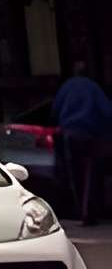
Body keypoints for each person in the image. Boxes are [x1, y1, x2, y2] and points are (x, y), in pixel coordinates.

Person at [51, 59, 112, 225]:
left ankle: (80, 210)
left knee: (75, 173)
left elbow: (55, 110)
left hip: (69, 134)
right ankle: (88, 211)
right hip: (88, 134)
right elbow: (107, 112)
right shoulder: (93, 88)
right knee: (89, 173)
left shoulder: (67, 87)